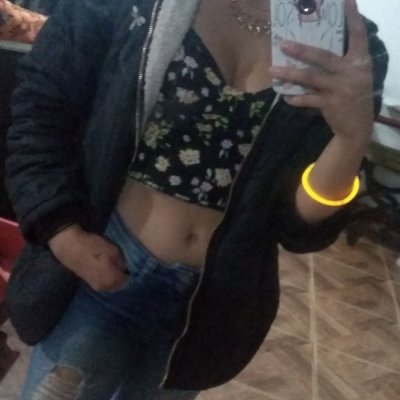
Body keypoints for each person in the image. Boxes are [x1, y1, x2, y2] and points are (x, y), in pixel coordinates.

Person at [4, 0, 388, 399]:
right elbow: (39, 113)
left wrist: (351, 140)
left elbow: (297, 227)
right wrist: (63, 234)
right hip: (100, 272)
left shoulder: (350, 50)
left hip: (209, 309)